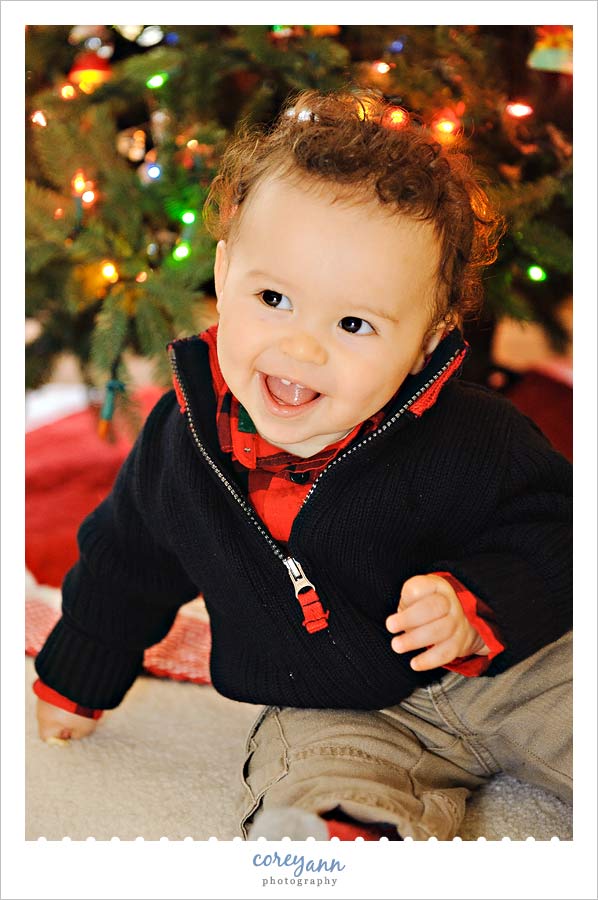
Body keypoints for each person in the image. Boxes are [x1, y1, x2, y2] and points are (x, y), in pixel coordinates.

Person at [33, 89, 572, 841]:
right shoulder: (185, 441)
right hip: (333, 701)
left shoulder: (476, 437)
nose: (303, 346)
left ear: (427, 339)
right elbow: (127, 558)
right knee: (306, 780)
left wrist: (478, 604)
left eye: (353, 323)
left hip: (514, 670)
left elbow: (559, 535)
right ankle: (342, 839)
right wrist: (75, 676)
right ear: (224, 276)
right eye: (274, 297)